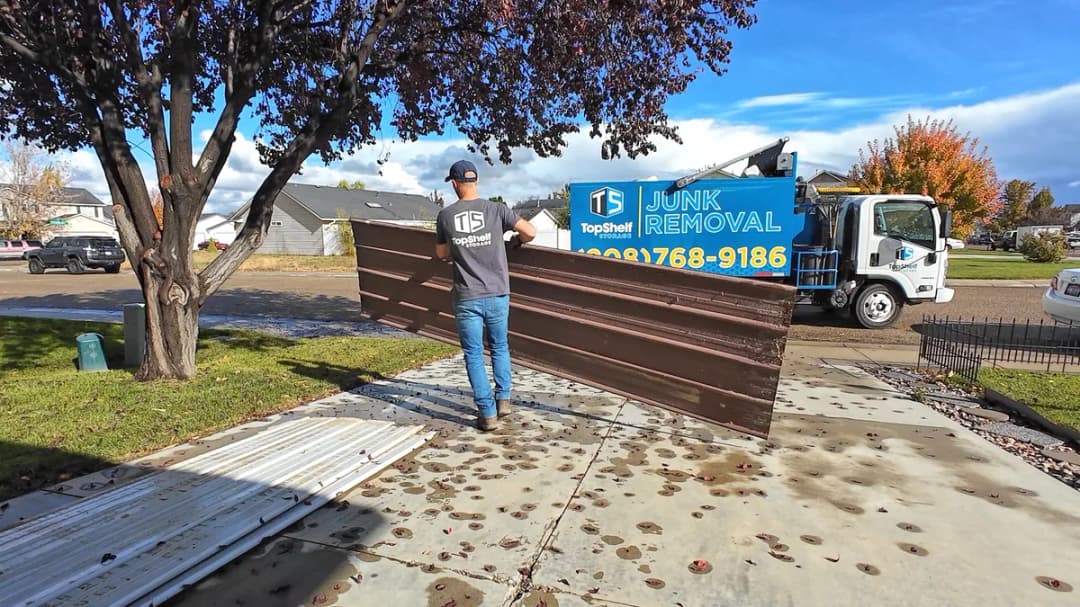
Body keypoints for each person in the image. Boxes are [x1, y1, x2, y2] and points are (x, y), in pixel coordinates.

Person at [435, 160, 536, 431]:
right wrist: (517, 240)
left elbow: (441, 254)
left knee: (473, 353)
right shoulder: (497, 210)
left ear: (454, 184)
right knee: (500, 346)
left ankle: (487, 414)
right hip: (497, 292)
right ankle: (503, 399)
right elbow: (530, 232)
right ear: (476, 181)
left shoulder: (446, 216)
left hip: (467, 295)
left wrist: (461, 248)